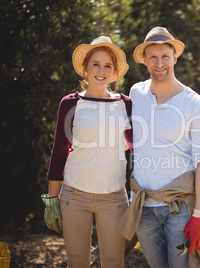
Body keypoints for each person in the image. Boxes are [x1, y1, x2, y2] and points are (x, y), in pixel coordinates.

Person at [117, 26, 200, 268]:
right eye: (153, 57)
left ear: (175, 58)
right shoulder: (136, 93)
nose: (159, 63)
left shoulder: (195, 103)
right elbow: (132, 137)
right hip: (143, 207)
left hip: (179, 208)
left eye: (165, 57)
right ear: (145, 61)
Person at [41, 36, 132, 268]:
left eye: (107, 66)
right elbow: (59, 150)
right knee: (78, 263)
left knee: (114, 263)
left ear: (114, 72)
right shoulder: (70, 103)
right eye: (96, 64)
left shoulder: (126, 104)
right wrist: (52, 199)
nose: (101, 71)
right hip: (74, 196)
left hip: (113, 197)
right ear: (85, 69)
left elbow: (137, 147)